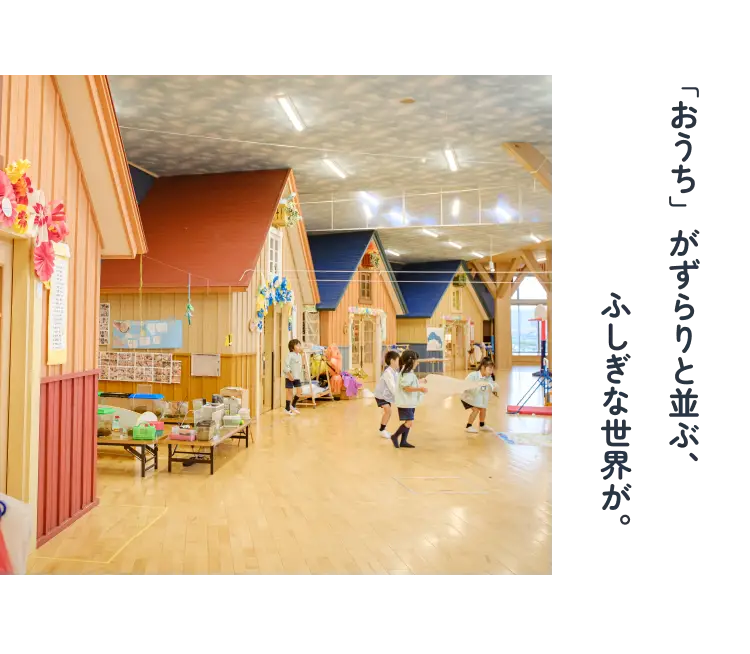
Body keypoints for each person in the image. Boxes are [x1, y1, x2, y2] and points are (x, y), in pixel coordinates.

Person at [392, 349, 427, 449]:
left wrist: (420, 381)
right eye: (416, 361)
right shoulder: (407, 374)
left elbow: (410, 383)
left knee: (409, 422)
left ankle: (403, 441)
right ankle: (395, 436)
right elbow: (406, 388)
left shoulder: (406, 372)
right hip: (406, 402)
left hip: (408, 402)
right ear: (411, 361)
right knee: (409, 422)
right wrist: (420, 389)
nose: (417, 363)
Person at [461, 356, 498, 433]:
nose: (491, 372)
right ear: (483, 368)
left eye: (492, 370)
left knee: (483, 408)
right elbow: (465, 385)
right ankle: (468, 426)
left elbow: (491, 385)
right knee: (476, 410)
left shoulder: (488, 377)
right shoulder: (473, 375)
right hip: (467, 397)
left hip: (475, 397)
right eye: (489, 369)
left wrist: (492, 387)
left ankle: (482, 425)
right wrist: (476, 385)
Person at [374, 350, 400, 439]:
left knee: (388, 412)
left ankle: (382, 429)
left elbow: (399, 383)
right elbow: (392, 387)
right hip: (381, 395)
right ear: (392, 361)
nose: (399, 362)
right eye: (398, 360)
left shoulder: (395, 372)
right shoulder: (388, 373)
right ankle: (382, 430)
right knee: (388, 410)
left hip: (386, 396)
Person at [283, 339, 303, 415]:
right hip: (290, 376)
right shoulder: (290, 355)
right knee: (290, 392)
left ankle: (293, 405)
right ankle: (287, 408)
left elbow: (300, 366)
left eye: (299, 345)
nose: (299, 347)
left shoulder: (299, 355)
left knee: (299, 391)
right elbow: (285, 366)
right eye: (297, 345)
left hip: (297, 377)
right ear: (292, 348)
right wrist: (289, 374)